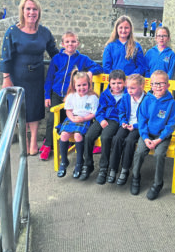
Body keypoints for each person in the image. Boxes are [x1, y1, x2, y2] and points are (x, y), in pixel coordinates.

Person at [0, 0, 58, 155]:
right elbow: (5, 56)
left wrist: (73, 60)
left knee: (35, 110)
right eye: (28, 9)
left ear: (38, 12)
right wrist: (6, 78)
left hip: (37, 78)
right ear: (22, 11)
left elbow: (55, 53)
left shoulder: (45, 32)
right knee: (19, 110)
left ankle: (33, 142)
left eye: (34, 9)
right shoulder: (12, 31)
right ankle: (24, 140)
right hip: (17, 77)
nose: (31, 12)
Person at [41, 31, 103, 161]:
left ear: (78, 43)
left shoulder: (82, 59)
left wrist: (91, 72)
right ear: (62, 44)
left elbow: (97, 67)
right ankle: (48, 145)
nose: (70, 44)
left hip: (72, 95)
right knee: (52, 120)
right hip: (57, 93)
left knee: (70, 117)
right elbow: (49, 78)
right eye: (67, 42)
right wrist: (47, 95)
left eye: (73, 41)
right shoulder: (56, 59)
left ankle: (70, 143)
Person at [130, 70, 175, 200]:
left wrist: (159, 140)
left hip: (162, 137)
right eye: (155, 84)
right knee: (139, 152)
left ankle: (157, 183)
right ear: (150, 85)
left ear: (167, 85)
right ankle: (135, 177)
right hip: (147, 135)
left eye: (161, 84)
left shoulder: (171, 103)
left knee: (159, 154)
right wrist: (145, 137)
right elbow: (142, 120)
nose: (158, 86)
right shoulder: (146, 100)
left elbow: (171, 125)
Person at [80, 69, 126, 184]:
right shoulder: (106, 94)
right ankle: (88, 164)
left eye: (119, 83)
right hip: (101, 119)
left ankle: (103, 168)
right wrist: (100, 120)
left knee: (105, 137)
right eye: (113, 83)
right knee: (89, 136)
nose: (116, 86)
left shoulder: (126, 96)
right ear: (109, 83)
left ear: (124, 83)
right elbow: (99, 110)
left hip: (114, 121)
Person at [57, 70, 99, 179]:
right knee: (64, 135)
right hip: (72, 117)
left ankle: (79, 162)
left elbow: (93, 113)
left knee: (77, 135)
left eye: (84, 85)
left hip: (85, 119)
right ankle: (64, 161)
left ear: (89, 84)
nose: (82, 88)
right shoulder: (71, 96)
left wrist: (84, 118)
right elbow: (68, 110)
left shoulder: (92, 97)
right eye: (79, 85)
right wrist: (72, 118)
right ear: (74, 86)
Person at [107, 74, 146, 185]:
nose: (129, 90)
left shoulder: (147, 99)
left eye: (132, 88)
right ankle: (113, 168)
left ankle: (125, 169)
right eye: (128, 88)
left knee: (129, 141)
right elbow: (121, 112)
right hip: (127, 124)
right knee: (117, 138)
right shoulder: (125, 97)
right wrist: (123, 121)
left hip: (139, 126)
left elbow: (148, 118)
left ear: (141, 86)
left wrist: (136, 126)